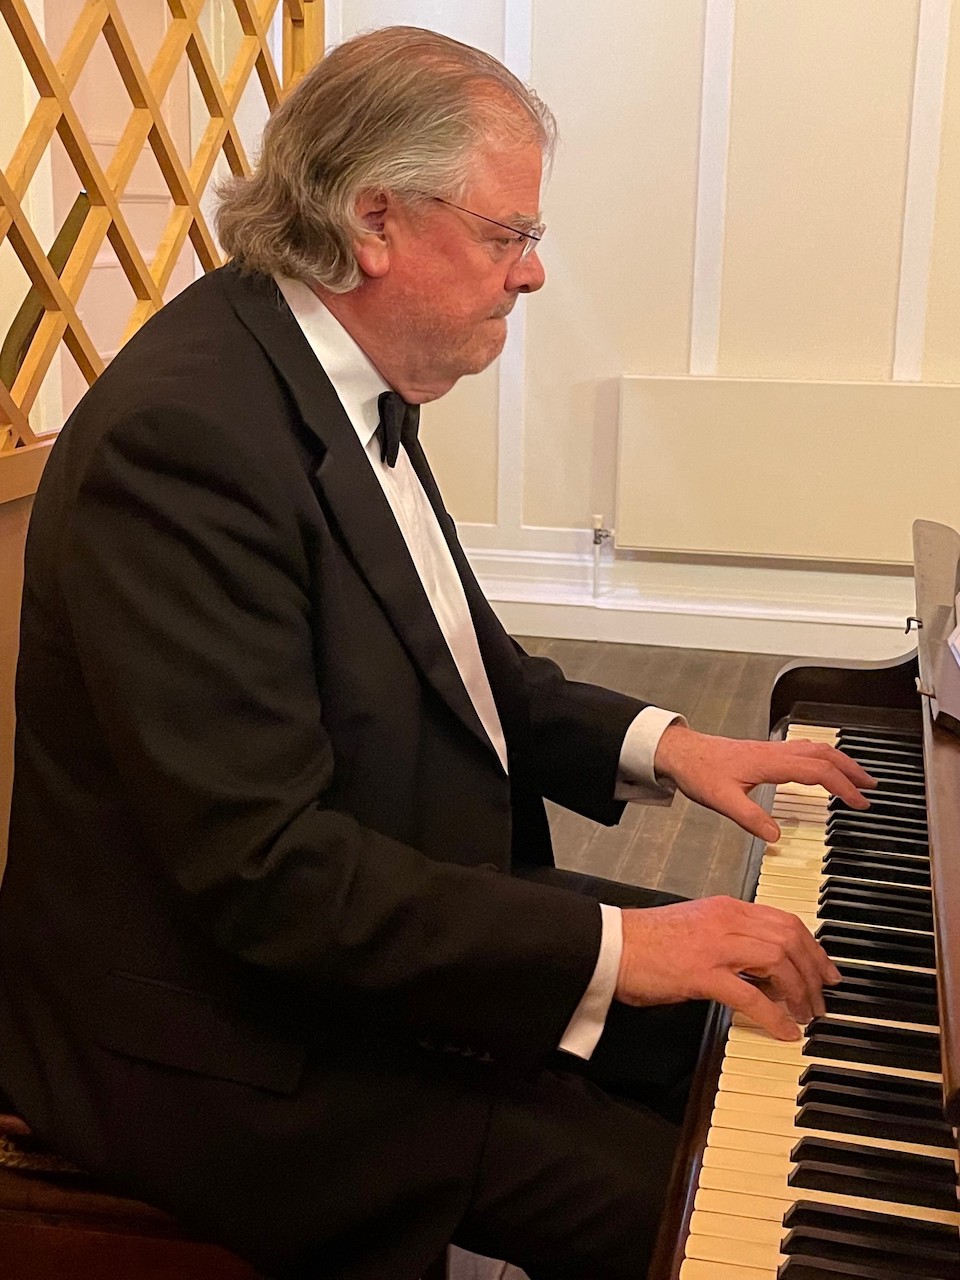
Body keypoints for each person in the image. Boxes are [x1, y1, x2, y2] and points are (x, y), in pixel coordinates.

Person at [0, 26, 873, 1280]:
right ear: (375, 220)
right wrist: (625, 951)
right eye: (510, 233)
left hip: (367, 936)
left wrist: (672, 746)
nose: (532, 273)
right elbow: (270, 876)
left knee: (799, 1018)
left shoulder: (327, 368)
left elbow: (460, 663)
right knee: (723, 1220)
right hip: (232, 1043)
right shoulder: (186, 444)